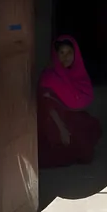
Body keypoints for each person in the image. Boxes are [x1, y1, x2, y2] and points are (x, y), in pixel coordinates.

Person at [37, 35, 102, 169]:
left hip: (70, 118)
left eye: (69, 53)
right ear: (55, 55)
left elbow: (82, 99)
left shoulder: (78, 74)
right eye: (61, 53)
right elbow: (47, 106)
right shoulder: (49, 76)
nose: (66, 57)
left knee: (93, 128)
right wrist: (62, 130)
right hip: (54, 123)